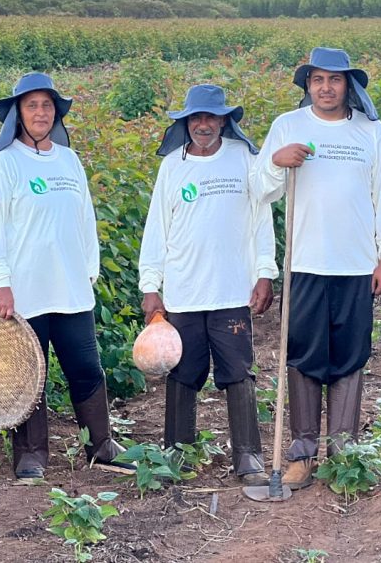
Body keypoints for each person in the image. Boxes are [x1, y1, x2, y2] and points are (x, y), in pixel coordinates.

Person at [250, 48, 381, 490]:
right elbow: (260, 190)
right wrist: (278, 163)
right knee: (303, 355)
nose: (326, 88)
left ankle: (343, 451)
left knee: (351, 355)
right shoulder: (288, 126)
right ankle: (301, 451)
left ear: (348, 85)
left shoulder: (371, 132)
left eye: (334, 80)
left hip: (356, 264)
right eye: (317, 80)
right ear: (308, 85)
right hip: (305, 264)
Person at [0, 72, 134, 482]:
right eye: (33, 106)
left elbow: (84, 221)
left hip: (70, 288)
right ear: (17, 114)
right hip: (22, 293)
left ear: (56, 113)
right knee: (28, 375)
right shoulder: (3, 164)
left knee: (86, 367)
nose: (41, 113)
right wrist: (0, 282)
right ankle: (31, 455)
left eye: (48, 106)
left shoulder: (69, 160)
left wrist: (88, 273)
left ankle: (101, 446)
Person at [138, 84, 277, 486]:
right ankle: (176, 453)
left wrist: (264, 272)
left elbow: (260, 219)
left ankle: (248, 455)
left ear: (223, 121)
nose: (203, 125)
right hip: (183, 292)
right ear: (186, 123)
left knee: (238, 371)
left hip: (232, 291)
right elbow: (156, 230)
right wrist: (151, 284)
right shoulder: (173, 168)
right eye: (195, 118)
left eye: (210, 117)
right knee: (182, 372)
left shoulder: (244, 159)